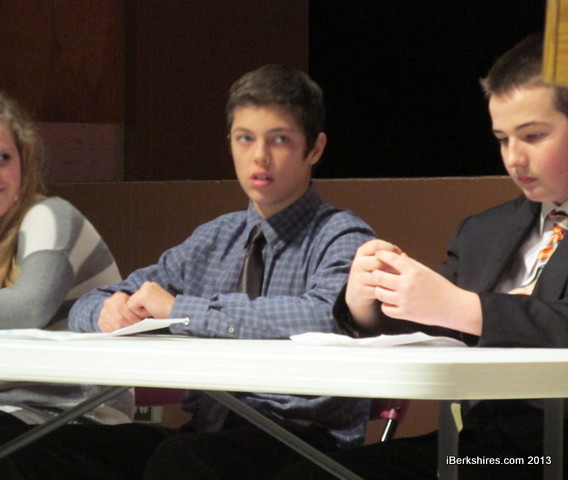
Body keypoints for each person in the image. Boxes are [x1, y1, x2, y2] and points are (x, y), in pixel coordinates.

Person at [273, 33, 568, 480]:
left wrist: (466, 307)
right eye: (502, 139)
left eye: (533, 136)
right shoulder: (483, 231)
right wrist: (370, 303)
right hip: (482, 448)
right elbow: (438, 326)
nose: (514, 158)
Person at [64, 64, 374, 479]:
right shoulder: (215, 237)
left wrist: (181, 310)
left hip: (302, 441)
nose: (259, 157)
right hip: (207, 431)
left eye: (279, 140)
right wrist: (107, 311)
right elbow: (96, 299)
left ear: (314, 149)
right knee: (45, 450)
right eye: (245, 138)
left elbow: (323, 315)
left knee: (181, 461)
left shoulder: (342, 235)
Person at [0, 91, 135, 473]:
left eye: (3, 159)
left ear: (23, 159)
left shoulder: (50, 215)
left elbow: (29, 306)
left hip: (75, 419)